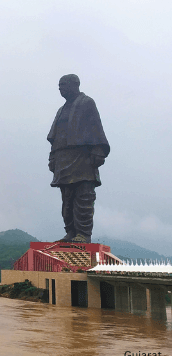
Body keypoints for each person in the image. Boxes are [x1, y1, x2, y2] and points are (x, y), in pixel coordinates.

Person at [47, 74, 109, 243]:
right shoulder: (61, 110)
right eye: (59, 86)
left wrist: (98, 150)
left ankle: (83, 233)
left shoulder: (86, 103)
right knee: (66, 199)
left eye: (63, 85)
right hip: (63, 158)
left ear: (75, 85)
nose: (60, 88)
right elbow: (55, 137)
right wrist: (52, 157)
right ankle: (71, 232)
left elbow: (96, 127)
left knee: (83, 196)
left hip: (82, 157)